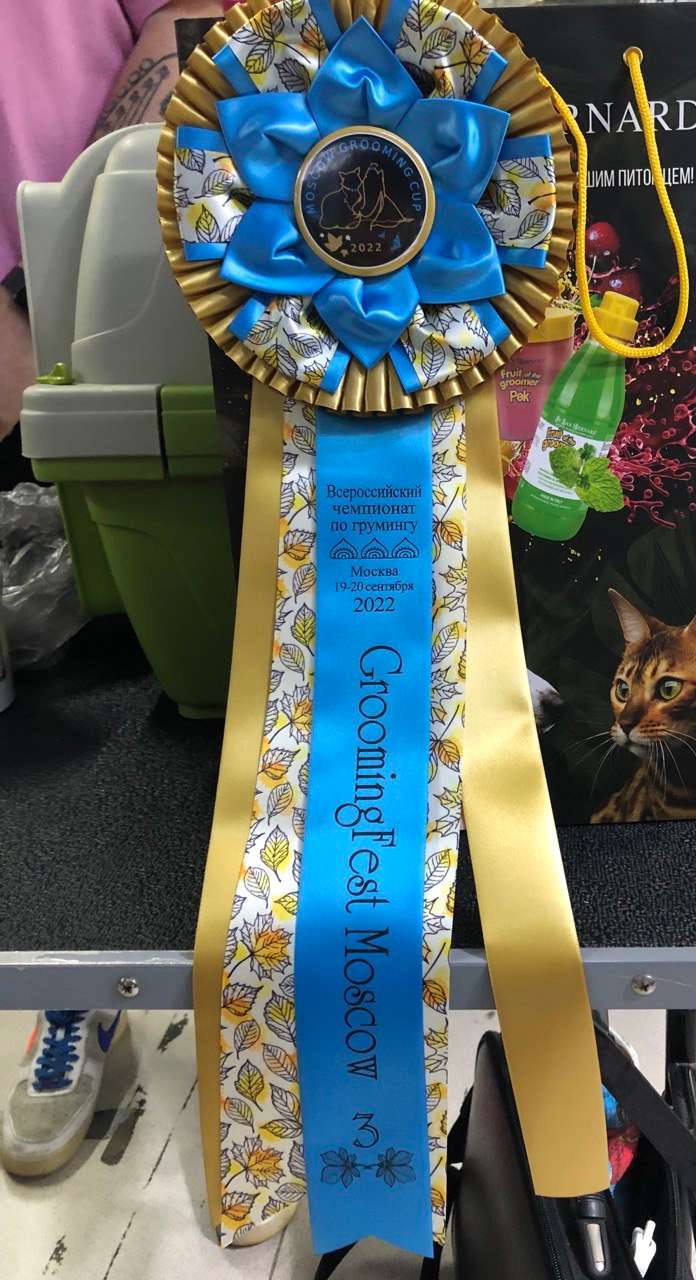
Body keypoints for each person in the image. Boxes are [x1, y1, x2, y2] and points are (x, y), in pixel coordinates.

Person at [0, 0, 220, 1178]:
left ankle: (99, 985)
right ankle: (73, 979)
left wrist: (45, 283)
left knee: (140, 709)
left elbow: (190, 21)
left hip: (90, 318)